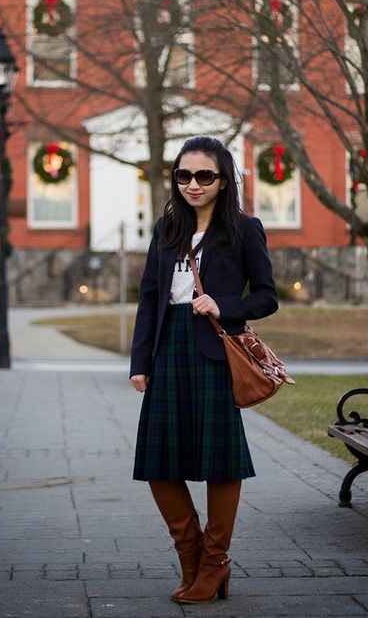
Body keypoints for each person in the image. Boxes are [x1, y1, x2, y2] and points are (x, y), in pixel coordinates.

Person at [130, 136, 278, 604]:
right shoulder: (166, 228)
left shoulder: (243, 230)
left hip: (213, 349)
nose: (193, 184)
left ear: (222, 180)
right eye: (184, 175)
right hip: (167, 351)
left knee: (220, 461)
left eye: (204, 176)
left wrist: (225, 304)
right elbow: (150, 297)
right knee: (158, 463)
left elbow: (268, 296)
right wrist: (140, 362)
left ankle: (214, 562)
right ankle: (192, 558)